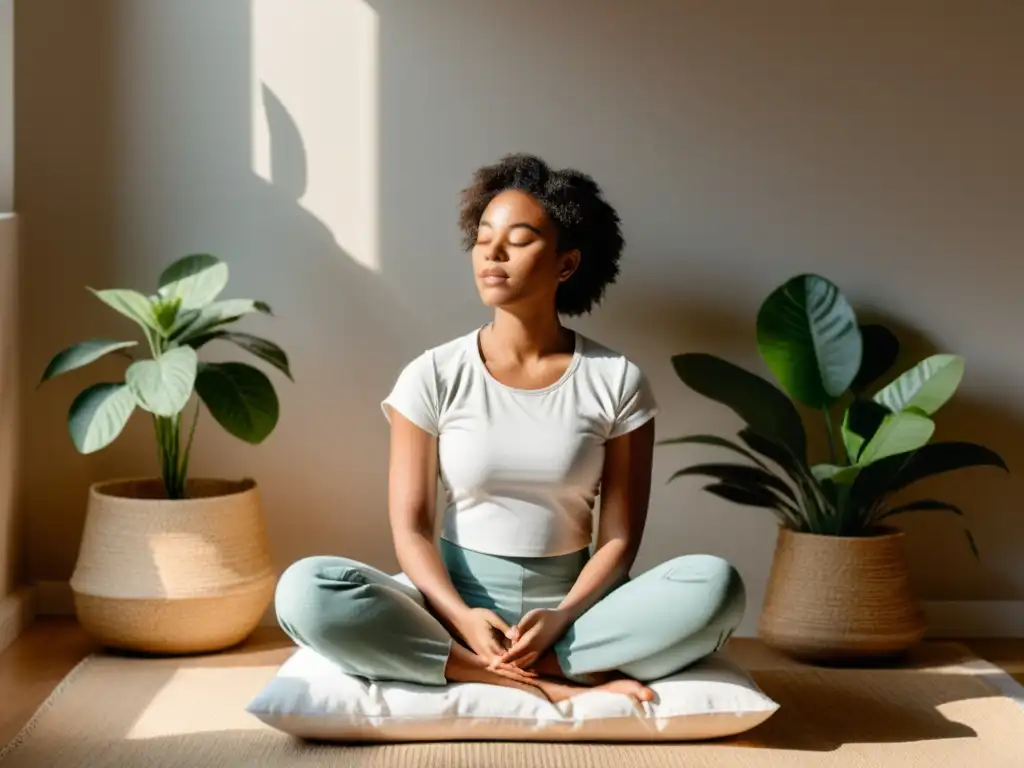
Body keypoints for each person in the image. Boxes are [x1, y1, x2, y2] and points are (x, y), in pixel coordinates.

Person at [274, 154, 745, 704]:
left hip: (574, 613)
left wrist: (564, 614)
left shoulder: (617, 380)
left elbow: (618, 538)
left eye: (518, 240)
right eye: (483, 237)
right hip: (450, 610)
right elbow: (412, 531)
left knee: (716, 586)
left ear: (566, 265)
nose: (492, 253)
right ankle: (501, 670)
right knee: (304, 592)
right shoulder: (432, 375)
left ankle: (546, 659)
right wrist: (462, 615)